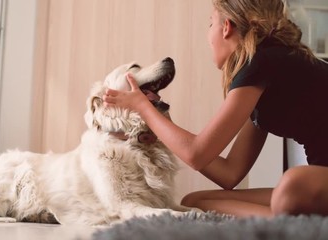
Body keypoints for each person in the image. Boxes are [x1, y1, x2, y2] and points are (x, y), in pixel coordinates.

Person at [103, 0, 328, 217]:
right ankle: (288, 220)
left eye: (211, 23)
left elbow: (196, 154)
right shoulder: (266, 79)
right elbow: (230, 173)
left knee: (292, 186)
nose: (208, 35)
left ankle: (289, 225)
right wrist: (164, 125)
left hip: (312, 181)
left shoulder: (260, 62)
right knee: (194, 202)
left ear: (226, 28)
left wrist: (142, 106)